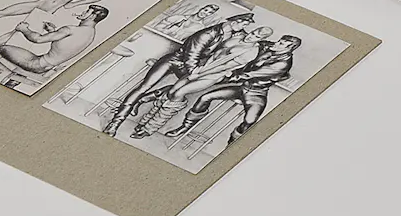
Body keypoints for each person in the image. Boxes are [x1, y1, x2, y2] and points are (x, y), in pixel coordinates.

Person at [102, 10, 254, 137]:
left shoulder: (233, 35)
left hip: (192, 69)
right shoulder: (209, 33)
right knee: (144, 86)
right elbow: (192, 54)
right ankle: (115, 122)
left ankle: (142, 103)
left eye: (245, 25)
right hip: (175, 61)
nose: (243, 27)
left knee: (178, 92)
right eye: (242, 23)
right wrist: (194, 72)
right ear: (233, 21)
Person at [161, 33, 299, 140]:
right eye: (279, 41)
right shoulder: (267, 46)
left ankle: (231, 146)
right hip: (240, 87)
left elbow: (249, 74)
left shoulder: (282, 64)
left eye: (281, 44)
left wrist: (226, 76)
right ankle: (184, 128)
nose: (276, 43)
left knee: (249, 122)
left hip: (256, 94)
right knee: (205, 97)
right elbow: (248, 43)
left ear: (289, 48)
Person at [0, 3, 109, 89]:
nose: (83, 12)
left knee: (1, 49)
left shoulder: (70, 29)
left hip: (37, 65)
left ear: (93, 16)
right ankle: (11, 83)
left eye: (87, 11)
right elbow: (66, 44)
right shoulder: (90, 34)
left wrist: (24, 29)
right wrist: (53, 32)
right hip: (48, 67)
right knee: (26, 57)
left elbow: (37, 39)